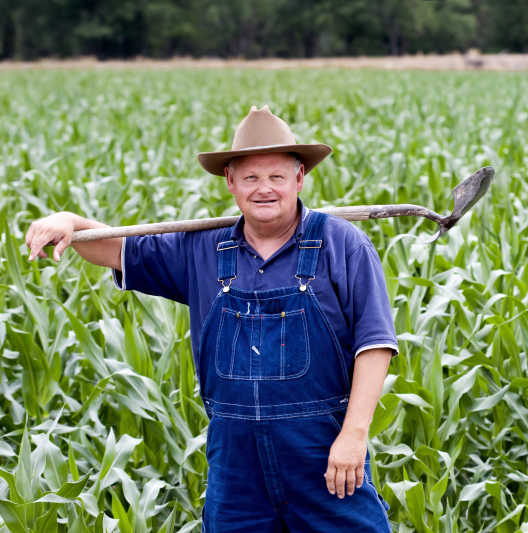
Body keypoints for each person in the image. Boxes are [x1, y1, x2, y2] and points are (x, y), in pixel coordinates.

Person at [25, 105, 397, 532]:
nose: (264, 189)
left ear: (299, 178)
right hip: (236, 471)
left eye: (276, 177)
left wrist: (353, 436)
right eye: (251, 178)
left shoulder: (342, 244)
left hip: (325, 460)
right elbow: (115, 248)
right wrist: (69, 223)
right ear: (230, 182)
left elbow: (375, 344)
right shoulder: (200, 249)